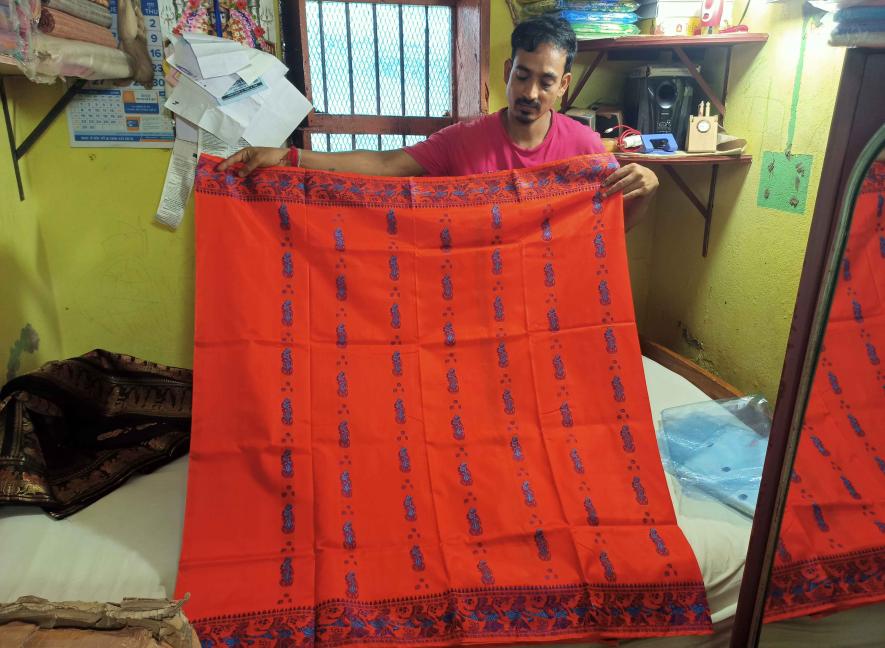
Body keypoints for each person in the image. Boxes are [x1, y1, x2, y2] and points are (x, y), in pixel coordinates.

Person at [217, 15, 658, 229]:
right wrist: (288, 156)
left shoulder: (584, 146)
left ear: (563, 85)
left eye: (545, 82)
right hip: (470, 299)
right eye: (522, 76)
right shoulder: (463, 141)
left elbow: (608, 230)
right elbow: (386, 166)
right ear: (507, 70)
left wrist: (645, 191)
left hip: (547, 305)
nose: (529, 93)